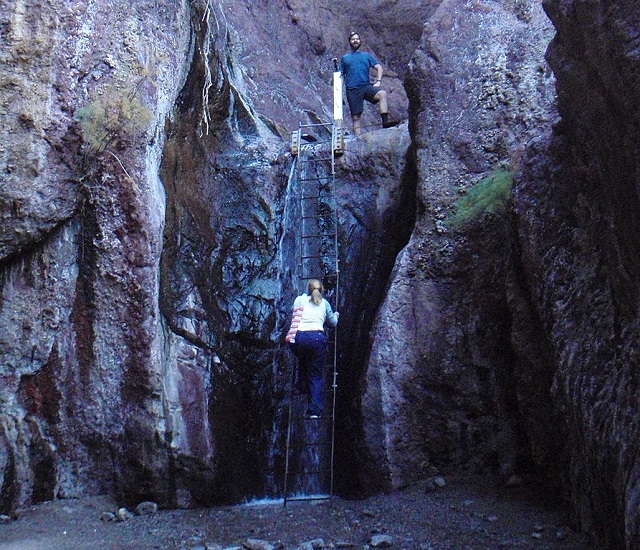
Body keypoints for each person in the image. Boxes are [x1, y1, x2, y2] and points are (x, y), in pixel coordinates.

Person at [286, 279, 339, 418]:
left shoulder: (299, 300)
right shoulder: (324, 303)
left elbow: (294, 313)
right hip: (316, 339)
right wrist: (336, 316)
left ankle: (302, 386)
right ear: (321, 290)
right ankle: (314, 411)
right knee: (315, 375)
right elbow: (332, 323)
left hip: (297, 339)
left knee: (303, 359)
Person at [339, 31, 392, 136]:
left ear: (360, 41)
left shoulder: (366, 56)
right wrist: (339, 93)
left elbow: (379, 67)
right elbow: (340, 76)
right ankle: (358, 139)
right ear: (349, 42)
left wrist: (378, 81)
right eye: (353, 39)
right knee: (356, 117)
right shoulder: (345, 58)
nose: (355, 41)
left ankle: (385, 124)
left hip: (366, 87)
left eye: (357, 39)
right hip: (352, 89)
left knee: (382, 94)